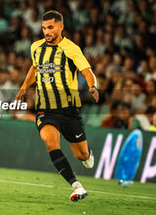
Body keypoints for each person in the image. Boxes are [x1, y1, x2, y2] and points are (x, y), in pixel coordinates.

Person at [16, 10, 99, 201]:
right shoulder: (36, 47)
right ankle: (77, 186)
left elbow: (87, 71)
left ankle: (87, 156)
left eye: (51, 27)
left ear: (61, 27)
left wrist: (92, 86)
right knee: (50, 141)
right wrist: (23, 87)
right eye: (44, 28)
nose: (47, 31)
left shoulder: (71, 48)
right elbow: (35, 67)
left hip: (68, 110)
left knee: (82, 155)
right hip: (46, 109)